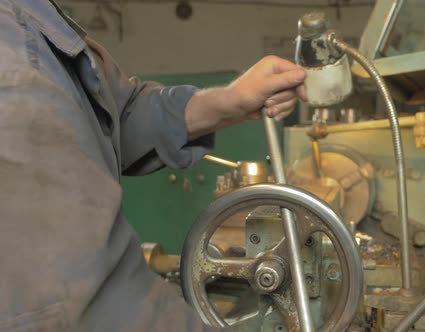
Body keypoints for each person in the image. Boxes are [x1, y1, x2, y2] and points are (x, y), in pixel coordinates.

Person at [0, 0, 305, 331]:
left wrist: (228, 102)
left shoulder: (31, 17)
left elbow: (117, 113)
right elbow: (74, 304)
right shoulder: (14, 60)